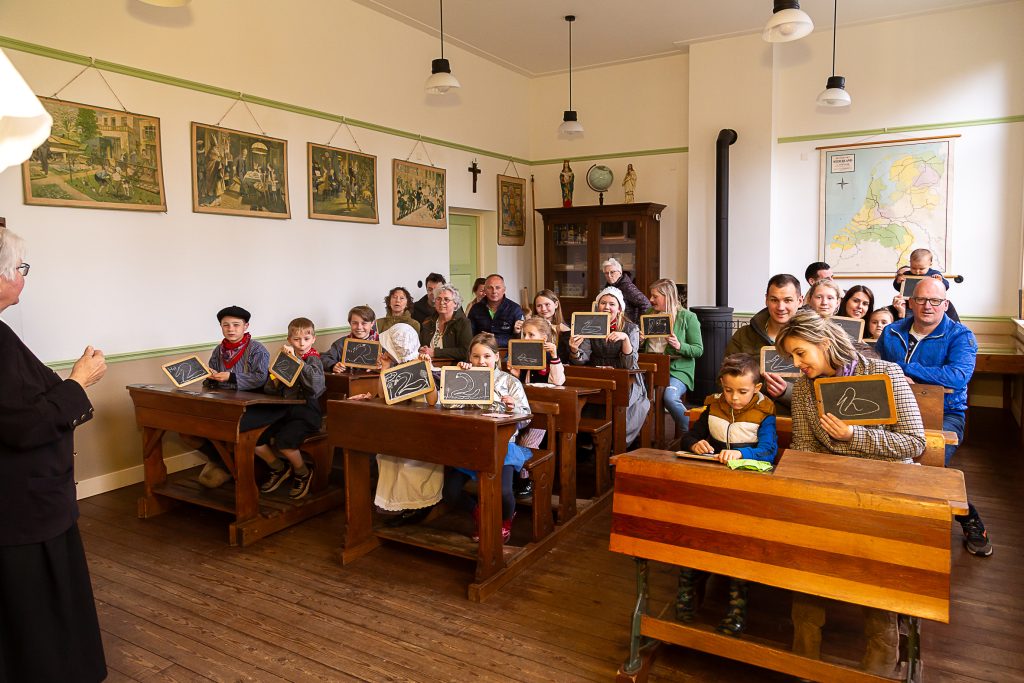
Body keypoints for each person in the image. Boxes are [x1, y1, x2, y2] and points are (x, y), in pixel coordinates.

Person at [776, 309, 925, 676]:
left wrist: (853, 436)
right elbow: (806, 447)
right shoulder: (807, 390)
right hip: (833, 491)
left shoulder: (883, 373)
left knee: (873, 565)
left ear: (825, 344)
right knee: (809, 559)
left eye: (801, 354)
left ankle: (880, 655)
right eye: (792, 357)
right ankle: (805, 656)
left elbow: (915, 442)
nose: (797, 364)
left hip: (883, 490)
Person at [0, 226, 108, 682]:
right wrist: (78, 382)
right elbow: (22, 425)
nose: (23, 278)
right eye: (20, 269)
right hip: (20, 507)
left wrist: (67, 386)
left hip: (27, 501)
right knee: (32, 607)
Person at [875, 278, 992, 557]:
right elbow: (874, 365)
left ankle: (968, 516)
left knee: (928, 463)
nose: (928, 306)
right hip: (893, 411)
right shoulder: (891, 331)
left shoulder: (961, 336)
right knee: (876, 460)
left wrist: (902, 370)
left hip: (945, 413)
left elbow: (958, 376)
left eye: (935, 301)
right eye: (922, 300)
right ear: (911, 302)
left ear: (945, 304)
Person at [675, 354, 777, 638]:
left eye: (742, 392)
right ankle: (686, 597)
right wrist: (696, 443)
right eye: (729, 390)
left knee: (737, 545)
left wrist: (741, 453)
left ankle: (736, 609)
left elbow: (768, 451)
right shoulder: (712, 407)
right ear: (722, 384)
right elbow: (688, 436)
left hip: (746, 491)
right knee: (693, 537)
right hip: (710, 486)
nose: (734, 398)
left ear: (756, 388)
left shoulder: (765, 413)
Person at [442, 333, 532, 543]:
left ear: (496, 357)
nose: (481, 362)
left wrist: (513, 408)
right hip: (470, 442)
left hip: (502, 444)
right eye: (475, 357)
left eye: (486, 356)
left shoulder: (510, 382)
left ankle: (505, 521)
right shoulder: (464, 376)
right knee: (450, 492)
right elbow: (448, 407)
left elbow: (526, 418)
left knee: (503, 492)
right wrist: (457, 379)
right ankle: (479, 513)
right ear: (469, 358)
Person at [350, 323, 443, 527]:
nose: (384, 351)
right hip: (401, 425)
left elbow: (432, 401)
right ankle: (397, 503)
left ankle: (418, 504)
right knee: (388, 455)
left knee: (411, 463)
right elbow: (384, 395)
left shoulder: (421, 365)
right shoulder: (395, 367)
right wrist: (384, 367)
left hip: (423, 427)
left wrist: (425, 370)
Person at [188, 305, 271, 488]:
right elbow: (213, 376)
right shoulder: (219, 350)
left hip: (253, 402)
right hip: (225, 401)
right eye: (226, 325)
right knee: (190, 429)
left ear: (246, 326)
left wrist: (231, 376)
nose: (231, 329)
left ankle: (250, 467)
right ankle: (225, 461)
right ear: (221, 327)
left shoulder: (258, 350)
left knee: (232, 427)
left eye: (236, 325)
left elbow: (260, 378)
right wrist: (210, 378)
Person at [569, 287, 651, 446]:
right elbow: (582, 359)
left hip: (626, 378)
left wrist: (626, 339)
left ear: (619, 309)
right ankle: (590, 442)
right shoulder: (589, 325)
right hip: (597, 376)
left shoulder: (631, 328)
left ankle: (616, 443)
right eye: (603, 303)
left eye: (612, 304)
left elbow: (629, 365)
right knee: (587, 402)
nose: (606, 307)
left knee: (623, 405)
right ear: (597, 306)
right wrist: (574, 349)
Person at [255, 318, 325, 501]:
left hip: (307, 413)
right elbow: (270, 389)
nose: (301, 343)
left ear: (313, 339)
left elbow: (315, 387)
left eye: (306, 339)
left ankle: (302, 472)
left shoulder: (314, 360)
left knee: (285, 441)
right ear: (289, 339)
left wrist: (296, 361)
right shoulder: (284, 358)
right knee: (255, 436)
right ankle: (278, 467)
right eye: (296, 339)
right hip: (284, 410)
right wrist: (275, 376)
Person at [724, 274, 804, 414]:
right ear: (766, 299)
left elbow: (822, 392)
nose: (781, 307)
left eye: (788, 300)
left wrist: (787, 391)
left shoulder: (812, 339)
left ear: (800, 301)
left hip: (796, 420)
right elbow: (725, 377)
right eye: (774, 300)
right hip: (750, 418)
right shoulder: (744, 335)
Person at [643, 278, 703, 434]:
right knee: (637, 396)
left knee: (669, 397)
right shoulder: (649, 314)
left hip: (678, 370)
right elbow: (643, 348)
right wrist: (640, 339)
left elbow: (698, 350)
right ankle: (642, 437)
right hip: (651, 368)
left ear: (667, 296)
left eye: (655, 296)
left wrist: (679, 346)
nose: (651, 300)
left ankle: (691, 432)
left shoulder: (687, 317)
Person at [891, 248, 961, 322]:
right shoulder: (906, 274)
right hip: (910, 304)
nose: (917, 271)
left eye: (921, 269)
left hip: (929, 303)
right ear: (910, 263)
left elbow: (946, 287)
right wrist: (898, 282)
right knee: (910, 320)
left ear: (930, 264)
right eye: (913, 268)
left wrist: (941, 281)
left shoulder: (934, 274)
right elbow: (899, 288)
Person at [467, 274, 524, 348]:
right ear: (485, 290)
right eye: (490, 288)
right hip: (481, 350)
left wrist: (494, 340)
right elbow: (469, 335)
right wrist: (482, 339)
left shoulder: (515, 309)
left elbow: (519, 338)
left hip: (507, 353)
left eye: (498, 288)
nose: (494, 291)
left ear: (504, 290)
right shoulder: (476, 309)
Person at [419, 283, 473, 362]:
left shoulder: (463, 323)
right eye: (438, 299)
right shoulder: (427, 322)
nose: (441, 302)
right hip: (428, 367)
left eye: (446, 299)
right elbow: (421, 345)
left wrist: (435, 352)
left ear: (455, 303)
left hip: (452, 368)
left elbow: (465, 351)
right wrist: (421, 349)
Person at [322, 305, 379, 374]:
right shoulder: (341, 344)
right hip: (348, 381)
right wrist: (333, 365)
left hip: (375, 381)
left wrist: (384, 365)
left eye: (364, 323)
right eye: (355, 323)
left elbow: (393, 362)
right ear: (350, 323)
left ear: (372, 324)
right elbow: (324, 358)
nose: (359, 327)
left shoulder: (382, 343)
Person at [602, 257, 651, 324]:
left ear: (620, 272)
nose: (609, 276)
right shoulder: (610, 286)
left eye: (612, 272)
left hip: (628, 327)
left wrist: (639, 325)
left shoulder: (627, 286)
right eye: (606, 273)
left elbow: (646, 304)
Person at [532, 289, 572, 361]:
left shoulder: (565, 329)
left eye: (547, 304)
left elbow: (565, 358)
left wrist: (566, 333)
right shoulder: (530, 327)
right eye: (539, 306)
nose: (543, 309)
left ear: (556, 304)